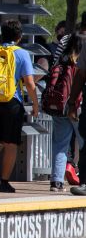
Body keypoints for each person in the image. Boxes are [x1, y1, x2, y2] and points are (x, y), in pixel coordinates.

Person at [0, 19, 39, 194]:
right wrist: (35, 105)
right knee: (11, 143)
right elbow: (29, 83)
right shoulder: (22, 54)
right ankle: (4, 182)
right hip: (12, 102)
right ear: (19, 37)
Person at [48, 35, 83, 192]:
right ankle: (83, 179)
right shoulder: (81, 63)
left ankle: (56, 181)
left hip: (58, 104)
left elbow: (52, 69)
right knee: (83, 144)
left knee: (60, 143)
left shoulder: (62, 54)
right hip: (78, 106)